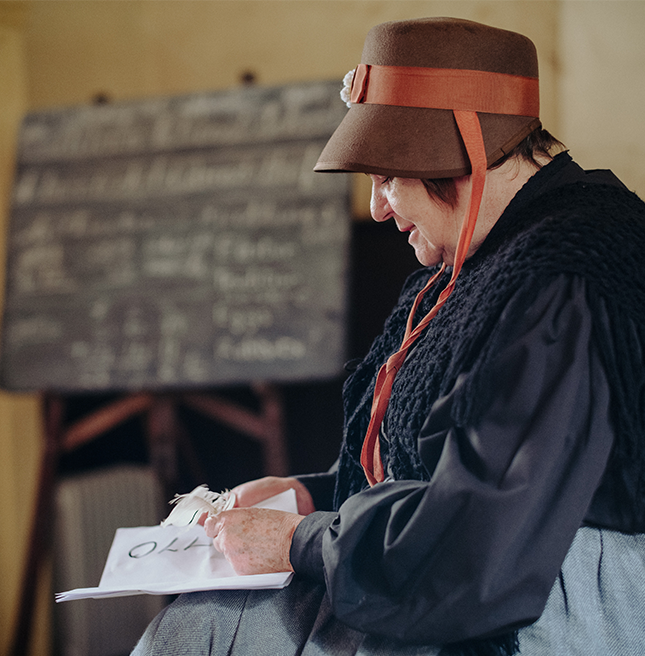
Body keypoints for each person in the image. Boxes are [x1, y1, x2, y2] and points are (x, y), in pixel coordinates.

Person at [132, 17, 645, 655]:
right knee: (197, 625)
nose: (377, 208)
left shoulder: (564, 274)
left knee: (196, 635)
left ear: (461, 158)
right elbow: (454, 467)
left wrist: (297, 539)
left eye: (387, 177)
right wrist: (307, 493)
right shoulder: (487, 255)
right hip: (450, 574)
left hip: (536, 615)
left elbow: (480, 554)